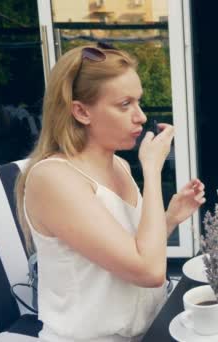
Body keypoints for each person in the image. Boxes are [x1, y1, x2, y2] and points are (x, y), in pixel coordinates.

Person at [14, 43, 206, 341]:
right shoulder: (53, 178)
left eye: (138, 102)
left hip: (148, 330)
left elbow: (132, 251)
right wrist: (153, 171)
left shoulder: (118, 165)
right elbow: (148, 271)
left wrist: (169, 218)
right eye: (124, 104)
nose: (141, 117)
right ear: (81, 111)